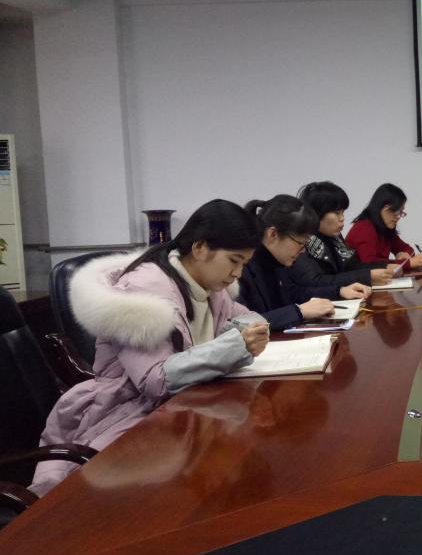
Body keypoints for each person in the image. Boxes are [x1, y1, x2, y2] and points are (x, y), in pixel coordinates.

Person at [31, 199, 270, 496]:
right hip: (123, 413)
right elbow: (155, 381)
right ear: (200, 248)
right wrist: (234, 346)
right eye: (234, 261)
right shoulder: (143, 294)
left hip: (176, 411)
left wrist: (249, 331)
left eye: (244, 264)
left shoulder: (209, 286)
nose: (237, 274)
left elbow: (244, 316)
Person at [240, 195, 370, 331]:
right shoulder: (241, 266)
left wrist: (339, 291)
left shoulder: (277, 259)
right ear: (273, 234)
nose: (302, 251)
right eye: (300, 243)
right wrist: (299, 311)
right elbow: (242, 324)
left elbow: (294, 293)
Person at [284, 181, 395, 303]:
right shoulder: (302, 242)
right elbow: (315, 282)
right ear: (316, 213)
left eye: (343, 212)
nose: (342, 218)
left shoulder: (334, 237)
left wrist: (384, 266)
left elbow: (352, 266)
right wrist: (368, 276)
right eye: (337, 213)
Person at [346, 183, 422, 268]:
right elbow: (371, 263)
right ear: (385, 209)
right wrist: (408, 263)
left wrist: (402, 253)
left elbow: (408, 249)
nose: (399, 217)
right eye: (398, 212)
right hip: (357, 276)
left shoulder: (385, 228)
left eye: (402, 212)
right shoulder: (364, 228)